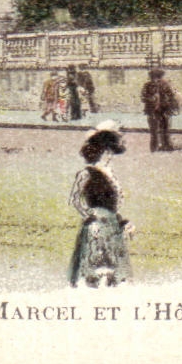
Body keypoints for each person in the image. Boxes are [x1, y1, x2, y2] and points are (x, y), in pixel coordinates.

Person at [68, 121, 132, 287]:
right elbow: (75, 199)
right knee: (97, 267)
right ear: (100, 151)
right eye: (107, 152)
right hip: (96, 228)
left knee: (113, 271)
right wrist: (88, 214)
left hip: (112, 227)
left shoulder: (110, 175)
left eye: (111, 153)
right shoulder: (86, 173)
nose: (110, 157)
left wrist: (122, 222)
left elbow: (114, 205)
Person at [140, 69, 178, 152]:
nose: (156, 79)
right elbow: (143, 97)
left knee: (165, 129)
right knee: (153, 130)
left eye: (158, 77)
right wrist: (151, 99)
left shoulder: (166, 85)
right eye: (153, 77)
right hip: (152, 111)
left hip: (164, 110)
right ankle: (154, 148)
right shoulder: (147, 85)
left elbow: (172, 96)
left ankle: (166, 146)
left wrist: (169, 105)